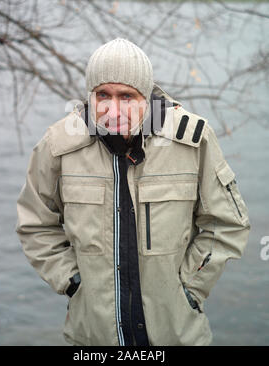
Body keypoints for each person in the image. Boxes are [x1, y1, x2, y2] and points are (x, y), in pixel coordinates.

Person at [16, 38, 250, 346]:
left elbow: (226, 223)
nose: (113, 109)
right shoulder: (57, 146)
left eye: (127, 96)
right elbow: (35, 225)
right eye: (103, 95)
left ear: (147, 96)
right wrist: (73, 283)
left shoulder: (192, 141)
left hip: (178, 336)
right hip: (93, 339)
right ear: (90, 96)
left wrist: (189, 290)